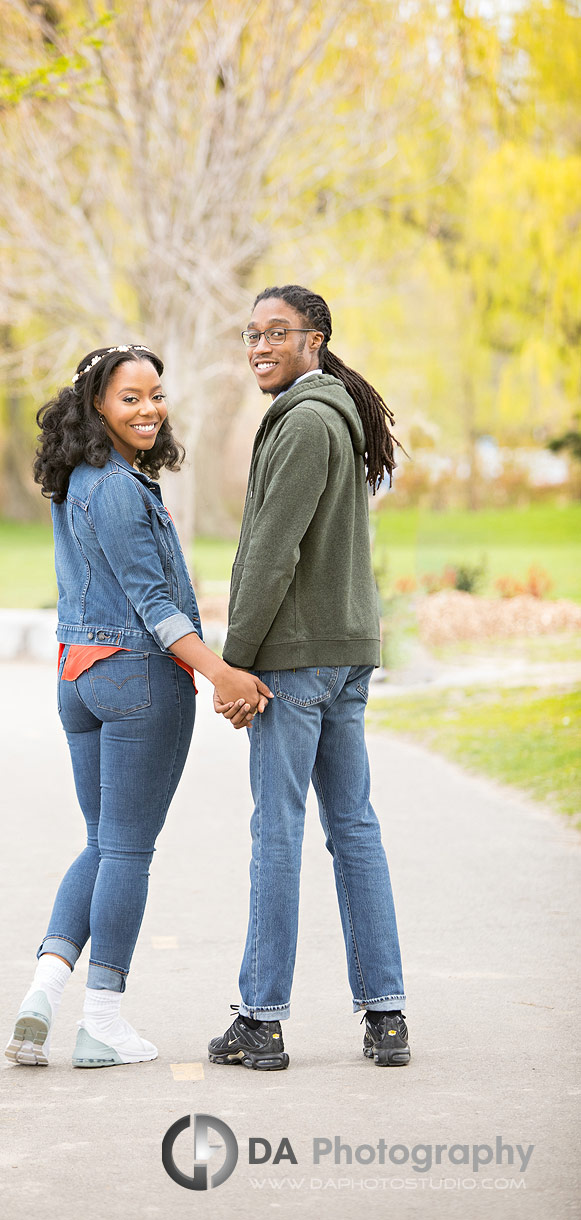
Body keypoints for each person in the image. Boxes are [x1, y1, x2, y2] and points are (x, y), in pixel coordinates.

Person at [6, 343, 271, 1070]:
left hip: (76, 676)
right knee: (126, 849)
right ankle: (101, 1021)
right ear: (98, 405)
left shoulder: (79, 477)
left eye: (155, 394)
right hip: (134, 680)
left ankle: (43, 991)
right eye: (130, 398)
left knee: (99, 843)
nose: (149, 408)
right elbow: (153, 604)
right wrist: (220, 673)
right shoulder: (120, 488)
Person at [207, 286, 410, 1071]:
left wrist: (234, 663)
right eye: (251, 334)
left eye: (276, 333)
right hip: (346, 651)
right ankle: (385, 1014)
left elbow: (269, 553)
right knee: (354, 829)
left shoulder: (302, 423)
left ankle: (261, 1021)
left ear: (313, 339)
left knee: (279, 833)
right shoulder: (338, 416)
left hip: (295, 660)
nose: (259, 346)